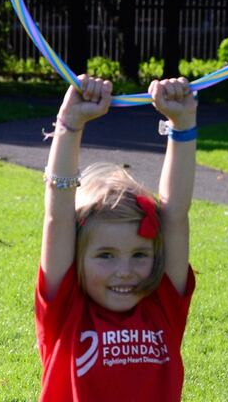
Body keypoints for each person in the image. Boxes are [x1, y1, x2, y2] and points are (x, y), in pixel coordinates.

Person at [37, 74, 198, 401]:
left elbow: (175, 213)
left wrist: (183, 125)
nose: (125, 270)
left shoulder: (162, 304)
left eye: (139, 255)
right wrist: (70, 123)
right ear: (77, 256)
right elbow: (57, 212)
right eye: (106, 255)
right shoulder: (66, 307)